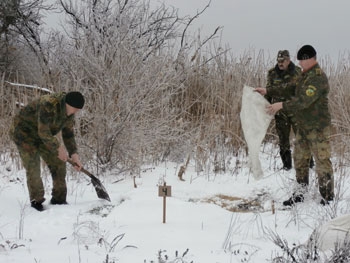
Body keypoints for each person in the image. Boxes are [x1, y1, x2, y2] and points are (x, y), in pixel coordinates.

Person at [266, 45, 334, 206]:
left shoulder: (317, 77)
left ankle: (327, 196)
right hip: (304, 127)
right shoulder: (304, 76)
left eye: (302, 60)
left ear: (310, 59)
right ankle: (300, 194)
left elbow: (303, 100)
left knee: (322, 161)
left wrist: (282, 105)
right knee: (300, 160)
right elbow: (288, 88)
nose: (300, 63)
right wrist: (267, 91)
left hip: (317, 127)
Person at [10, 91, 85, 211]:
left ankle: (59, 199)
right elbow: (43, 131)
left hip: (44, 136)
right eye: (74, 109)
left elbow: (68, 134)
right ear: (67, 103)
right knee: (33, 166)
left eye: (78, 110)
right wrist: (58, 148)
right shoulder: (48, 104)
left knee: (59, 163)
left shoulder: (70, 113)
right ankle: (37, 201)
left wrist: (74, 154)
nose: (75, 112)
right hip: (24, 133)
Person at [255, 50, 301, 170]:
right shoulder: (272, 73)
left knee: (302, 138)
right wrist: (266, 106)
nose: (280, 63)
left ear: (288, 60)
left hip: (295, 110)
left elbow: (294, 90)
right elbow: (269, 90)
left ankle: (308, 164)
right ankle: (287, 166)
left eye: (283, 61)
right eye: (278, 61)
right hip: (280, 112)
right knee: (283, 139)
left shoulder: (297, 72)